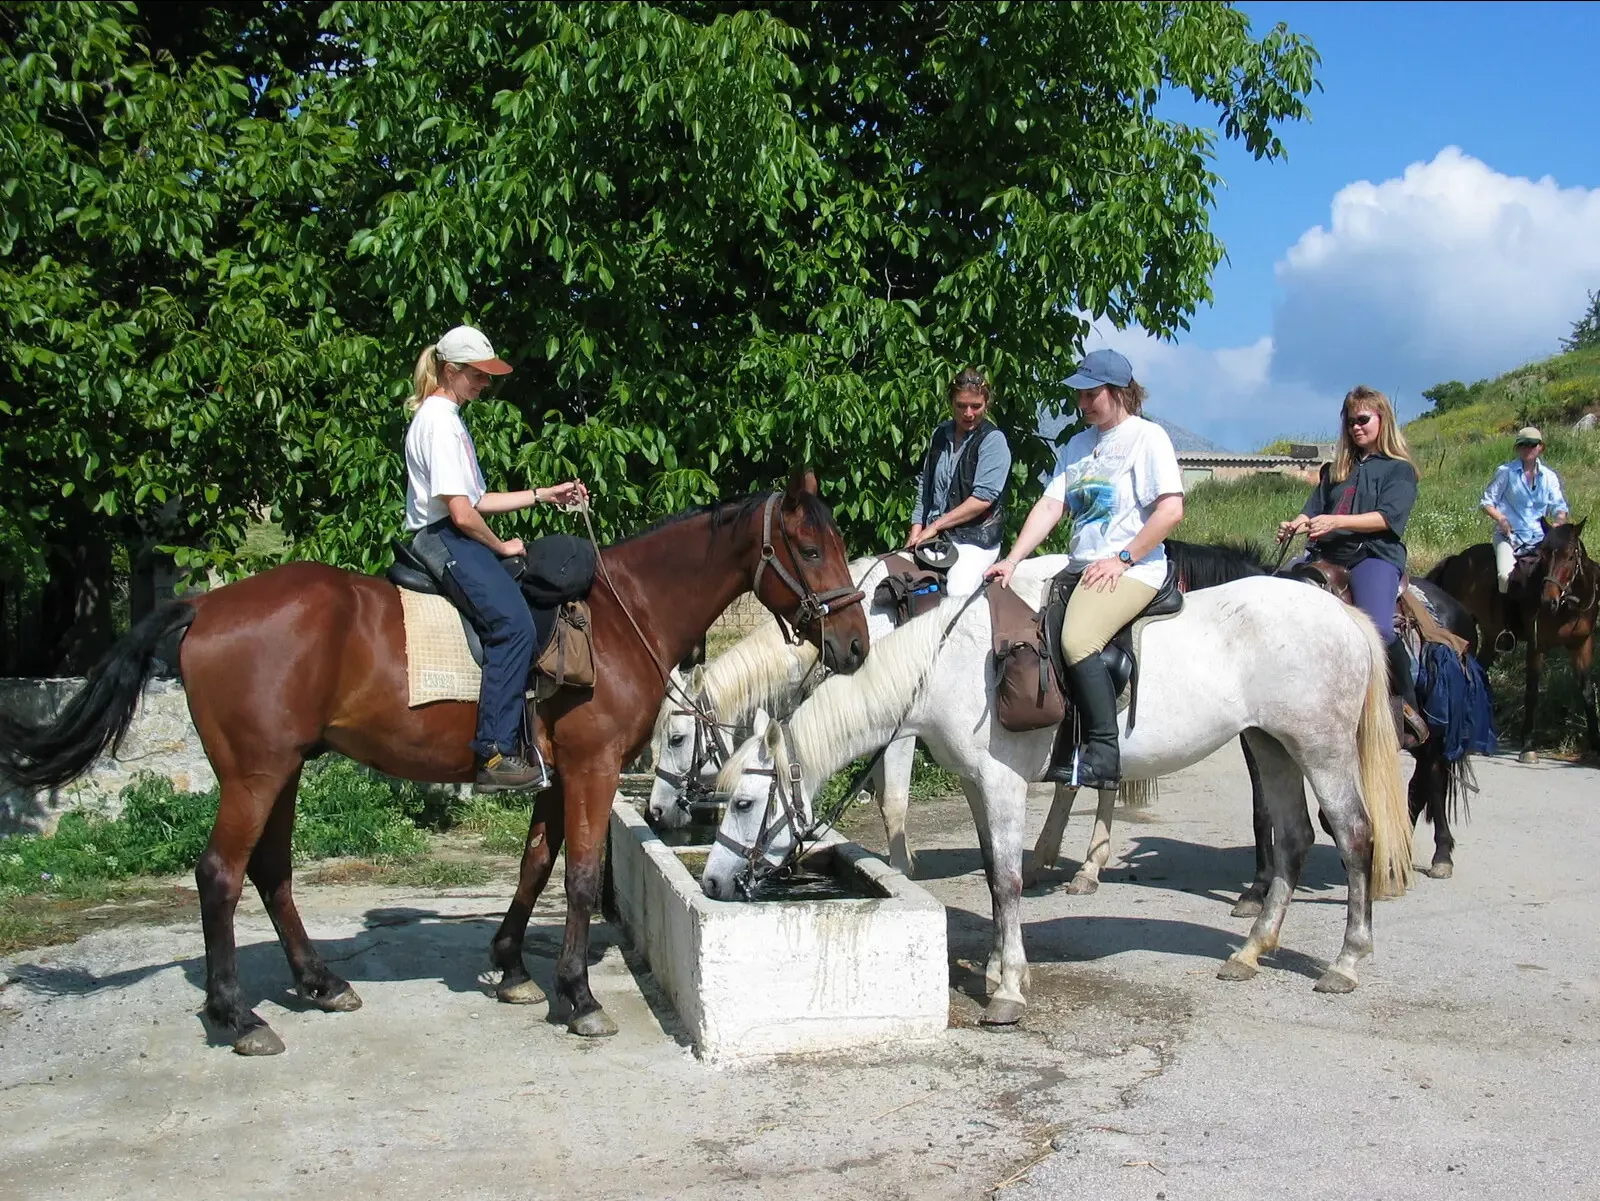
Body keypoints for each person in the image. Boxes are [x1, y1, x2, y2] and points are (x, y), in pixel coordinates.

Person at [985, 349, 1184, 788]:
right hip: (1081, 567)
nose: (1082, 403)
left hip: (1133, 569)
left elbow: (1170, 511)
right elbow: (1051, 504)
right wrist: (1013, 559)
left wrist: (1123, 558)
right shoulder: (1077, 445)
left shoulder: (1147, 439)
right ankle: (1057, 743)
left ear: (1117, 392)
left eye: (1091, 394)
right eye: (1080, 394)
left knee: (1077, 640)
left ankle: (1102, 754)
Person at [403, 325, 589, 792]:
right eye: (478, 376)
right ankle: (493, 754)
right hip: (443, 537)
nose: (485, 384)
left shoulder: (448, 417)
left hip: (452, 530)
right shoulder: (440, 422)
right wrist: (502, 546)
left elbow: (478, 498)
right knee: (514, 625)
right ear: (451, 371)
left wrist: (544, 495)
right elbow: (464, 515)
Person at [1277, 385, 1427, 746]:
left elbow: (1388, 518)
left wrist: (1336, 522)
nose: (1356, 427)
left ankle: (1405, 707)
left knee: (1379, 630)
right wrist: (1297, 522)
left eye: (1363, 420)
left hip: (1372, 554)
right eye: (1350, 421)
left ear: (1381, 420)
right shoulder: (1336, 470)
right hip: (1326, 555)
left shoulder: (1399, 470)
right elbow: (1313, 508)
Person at [907, 367, 1012, 595]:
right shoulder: (940, 434)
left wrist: (933, 527)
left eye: (976, 406)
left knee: (956, 591)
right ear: (950, 403)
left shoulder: (994, 441)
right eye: (961, 405)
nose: (968, 413)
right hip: (936, 537)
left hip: (975, 540)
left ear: (987, 403)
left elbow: (982, 500)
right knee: (899, 584)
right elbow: (925, 489)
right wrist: (915, 532)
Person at [1480, 425, 1569, 594]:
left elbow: (1559, 505)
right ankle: (1505, 617)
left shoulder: (1549, 477)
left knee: (1559, 575)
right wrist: (1501, 519)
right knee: (1505, 577)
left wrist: (1559, 521)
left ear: (1540, 447)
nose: (1527, 448)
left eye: (1532, 444)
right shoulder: (1506, 472)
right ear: (1517, 448)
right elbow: (1487, 502)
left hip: (1541, 539)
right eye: (1523, 444)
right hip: (1511, 538)